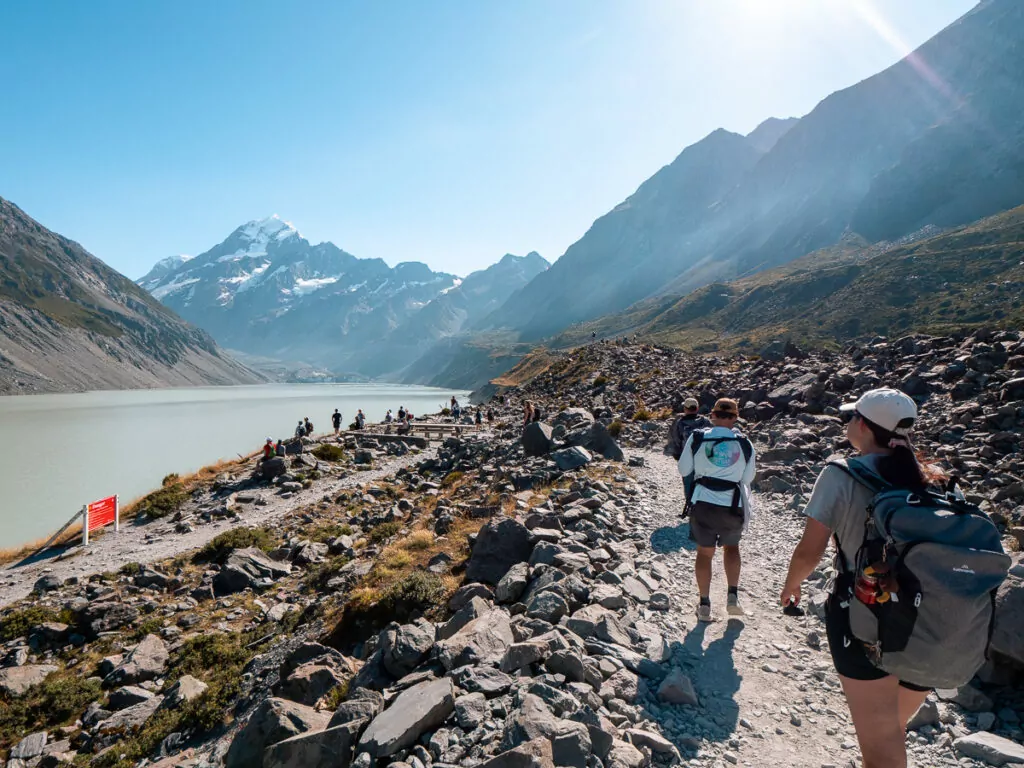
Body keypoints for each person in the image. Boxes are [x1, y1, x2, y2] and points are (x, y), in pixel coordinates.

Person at [780, 388, 938, 768]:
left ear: (864, 426)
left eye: (851, 417)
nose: (847, 423)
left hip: (867, 614)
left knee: (882, 743)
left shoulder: (841, 474)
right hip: (935, 621)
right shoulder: (938, 480)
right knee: (887, 731)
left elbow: (810, 548)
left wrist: (792, 583)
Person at [677, 397, 755, 622]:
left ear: (712, 415)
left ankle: (704, 605)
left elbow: (684, 470)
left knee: (704, 552)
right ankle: (732, 597)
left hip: (703, 503)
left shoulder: (698, 437)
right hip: (733, 504)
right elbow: (748, 478)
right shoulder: (744, 443)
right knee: (732, 548)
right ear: (735, 417)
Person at [668, 398, 713, 462]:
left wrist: (677, 455)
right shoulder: (705, 421)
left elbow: (676, 439)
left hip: (687, 456)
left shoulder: (680, 422)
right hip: (704, 455)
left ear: (685, 409)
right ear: (697, 408)